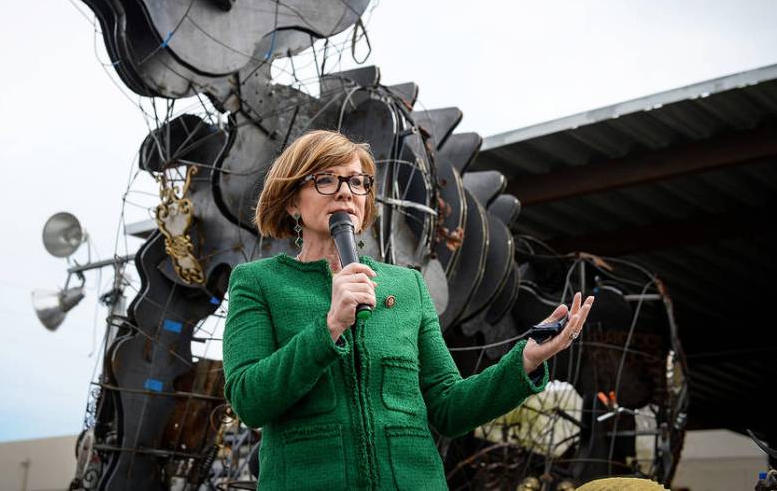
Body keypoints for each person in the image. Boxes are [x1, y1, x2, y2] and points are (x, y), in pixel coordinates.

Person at [222, 130, 594, 490]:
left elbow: (450, 407)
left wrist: (524, 361)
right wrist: (329, 326)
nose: (345, 193)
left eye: (357, 182)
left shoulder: (408, 286)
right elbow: (249, 401)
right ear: (291, 201)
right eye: (326, 180)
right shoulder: (258, 283)